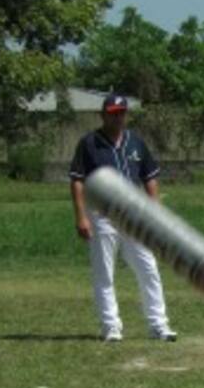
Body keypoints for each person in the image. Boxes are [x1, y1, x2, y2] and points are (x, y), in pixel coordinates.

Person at [70, 92, 178, 344]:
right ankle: (111, 327)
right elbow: (77, 181)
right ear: (103, 115)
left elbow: (149, 178)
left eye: (121, 113)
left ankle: (158, 325)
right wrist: (81, 217)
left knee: (147, 267)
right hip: (102, 214)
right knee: (104, 272)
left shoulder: (136, 142)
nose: (117, 118)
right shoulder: (89, 144)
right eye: (112, 113)